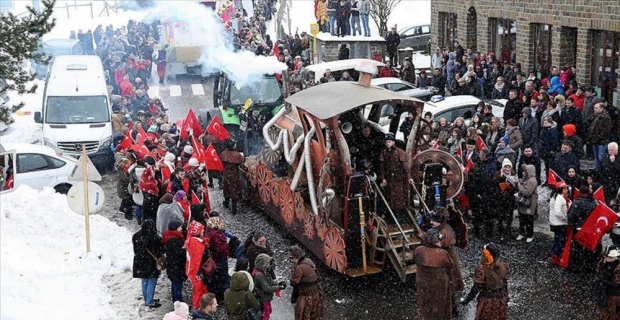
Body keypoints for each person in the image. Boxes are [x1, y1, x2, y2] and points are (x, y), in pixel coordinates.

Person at [461, 243, 509, 320]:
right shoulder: (503, 265)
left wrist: (467, 300)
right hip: (501, 300)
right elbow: (505, 283)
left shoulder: (482, 269)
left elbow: (476, 288)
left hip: (488, 301)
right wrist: (506, 297)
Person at [414, 228, 453, 320]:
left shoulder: (419, 250)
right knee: (439, 303)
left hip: (423, 282)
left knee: (425, 301)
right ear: (436, 241)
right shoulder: (442, 253)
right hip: (438, 283)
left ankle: (425, 317)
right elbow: (450, 265)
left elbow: (415, 259)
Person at [132, 220, 164, 309]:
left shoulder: (136, 236)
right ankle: (150, 301)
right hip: (151, 262)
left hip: (140, 261)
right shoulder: (155, 238)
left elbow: (135, 249)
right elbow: (160, 250)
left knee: (144, 280)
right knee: (152, 280)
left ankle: (147, 299)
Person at [379, 133, 410, 222]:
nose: (388, 143)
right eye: (386, 142)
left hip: (398, 179)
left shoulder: (399, 152)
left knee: (398, 197)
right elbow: (382, 167)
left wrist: (408, 177)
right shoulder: (384, 153)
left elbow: (405, 167)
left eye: (389, 142)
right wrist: (383, 178)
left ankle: (399, 215)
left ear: (393, 142)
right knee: (390, 197)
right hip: (389, 179)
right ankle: (391, 216)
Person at [289, 245, 325, 320]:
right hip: (316, 293)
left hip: (306, 296)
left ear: (296, 257)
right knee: (314, 314)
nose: (291, 261)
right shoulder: (308, 260)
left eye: (291, 258)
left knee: (303, 315)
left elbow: (294, 282)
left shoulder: (299, 268)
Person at [204, 216, 231, 302]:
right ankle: (222, 294)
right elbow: (218, 249)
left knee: (218, 277)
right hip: (219, 259)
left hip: (218, 259)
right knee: (222, 276)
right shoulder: (215, 235)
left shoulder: (213, 233)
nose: (222, 224)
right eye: (220, 223)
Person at [253, 253, 287, 320]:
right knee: (266, 314)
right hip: (264, 298)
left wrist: (278, 284)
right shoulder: (259, 275)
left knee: (268, 311)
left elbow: (270, 281)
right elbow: (267, 289)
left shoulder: (263, 271)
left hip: (265, 297)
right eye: (267, 263)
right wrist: (279, 287)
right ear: (262, 264)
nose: (269, 265)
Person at [163, 220, 187, 304]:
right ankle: (178, 302)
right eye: (179, 227)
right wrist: (185, 250)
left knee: (175, 283)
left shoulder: (169, 237)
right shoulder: (175, 239)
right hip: (176, 265)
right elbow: (180, 253)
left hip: (172, 265)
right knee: (177, 284)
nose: (181, 229)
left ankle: (176, 299)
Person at [494, 158, 517, 242]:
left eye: (509, 167)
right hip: (500, 199)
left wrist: (509, 188)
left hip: (510, 199)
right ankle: (500, 231)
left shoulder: (514, 175)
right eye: (505, 167)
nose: (507, 169)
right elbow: (493, 185)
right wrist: (500, 178)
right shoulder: (498, 174)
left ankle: (508, 230)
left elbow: (516, 188)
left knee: (509, 216)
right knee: (500, 215)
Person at [515, 164, 538, 243]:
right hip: (524, 203)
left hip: (529, 203)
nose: (524, 173)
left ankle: (530, 235)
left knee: (528, 220)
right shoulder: (526, 179)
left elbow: (527, 192)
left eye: (525, 171)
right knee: (522, 219)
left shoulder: (532, 181)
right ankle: (522, 233)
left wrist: (518, 184)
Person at [220, 139, 244, 214]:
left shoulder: (223, 154)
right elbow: (241, 163)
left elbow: (220, 164)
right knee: (234, 189)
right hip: (234, 175)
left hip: (226, 174)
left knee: (226, 188)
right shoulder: (237, 154)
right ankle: (234, 207)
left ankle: (226, 203)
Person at [596, 248, 620, 319]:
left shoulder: (618, 267)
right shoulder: (601, 264)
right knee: (605, 314)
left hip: (616, 296)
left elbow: (617, 283)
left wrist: (604, 282)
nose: (609, 259)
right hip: (605, 295)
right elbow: (598, 274)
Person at [588, 102, 613, 169]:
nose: (594, 109)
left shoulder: (606, 118)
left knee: (601, 157)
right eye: (594, 108)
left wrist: (598, 137)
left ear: (601, 108)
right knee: (596, 157)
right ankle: (598, 169)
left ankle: (602, 170)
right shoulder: (595, 115)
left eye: (596, 108)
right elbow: (589, 122)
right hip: (594, 140)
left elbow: (605, 131)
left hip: (602, 142)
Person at [549, 182, 569, 264]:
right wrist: (565, 219)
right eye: (564, 189)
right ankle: (556, 257)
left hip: (555, 222)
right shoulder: (559, 198)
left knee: (557, 239)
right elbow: (558, 212)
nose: (566, 190)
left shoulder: (555, 196)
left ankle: (554, 254)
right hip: (559, 223)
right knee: (559, 240)